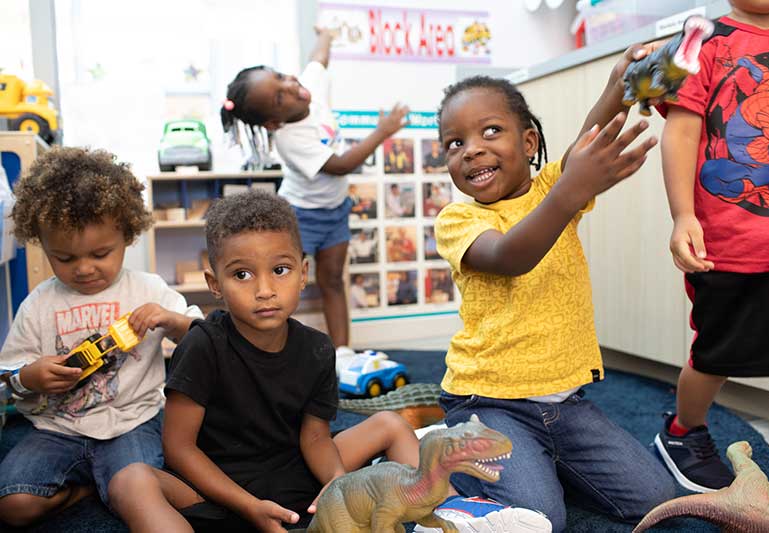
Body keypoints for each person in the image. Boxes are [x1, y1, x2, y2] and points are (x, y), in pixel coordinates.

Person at [155, 191, 540, 533]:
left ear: (303, 273)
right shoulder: (203, 345)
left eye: (280, 270)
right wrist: (248, 505)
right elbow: (179, 449)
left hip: (295, 472)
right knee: (134, 481)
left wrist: (340, 484)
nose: (265, 290)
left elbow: (315, 437)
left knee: (390, 424)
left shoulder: (318, 348)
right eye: (242, 274)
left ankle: (454, 513)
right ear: (215, 284)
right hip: (220, 488)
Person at [432, 45, 676, 532]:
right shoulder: (457, 219)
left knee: (655, 500)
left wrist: (619, 83)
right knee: (541, 518)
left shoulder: (551, 191)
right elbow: (510, 257)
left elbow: (591, 137)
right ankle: (450, 447)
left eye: (490, 131)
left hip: (565, 405)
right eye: (454, 143)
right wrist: (571, 191)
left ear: (529, 142)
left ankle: (534, 460)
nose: (471, 149)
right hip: (488, 403)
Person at [0, 147, 202, 532]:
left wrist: (171, 319)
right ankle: (88, 489)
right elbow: (7, 377)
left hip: (132, 421)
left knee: (135, 492)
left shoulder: (148, 289)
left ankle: (105, 484)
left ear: (127, 234)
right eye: (64, 258)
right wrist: (29, 377)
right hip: (58, 428)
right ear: (42, 244)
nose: (84, 269)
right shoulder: (38, 303)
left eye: (100, 253)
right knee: (12, 504)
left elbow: (203, 338)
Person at [656, 0, 769, 494]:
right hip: (731, 242)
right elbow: (680, 131)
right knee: (716, 355)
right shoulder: (701, 40)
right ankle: (683, 431)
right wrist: (683, 216)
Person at [220, 27, 408, 364]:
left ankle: (343, 353)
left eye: (282, 77)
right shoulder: (289, 138)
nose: (291, 86)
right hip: (300, 215)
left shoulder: (307, 87)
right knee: (283, 285)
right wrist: (382, 132)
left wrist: (326, 35)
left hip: (335, 209)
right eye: (280, 97)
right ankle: (270, 352)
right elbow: (339, 165)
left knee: (332, 279)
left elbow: (318, 59)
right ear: (273, 123)